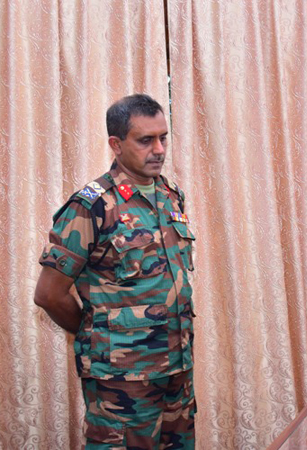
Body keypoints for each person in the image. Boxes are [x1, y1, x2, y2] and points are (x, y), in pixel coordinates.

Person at [34, 94, 197, 449]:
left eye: (163, 138)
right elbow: (49, 294)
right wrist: (97, 333)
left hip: (177, 368)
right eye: (145, 140)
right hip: (122, 379)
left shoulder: (170, 196)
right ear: (116, 144)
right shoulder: (91, 206)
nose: (159, 149)